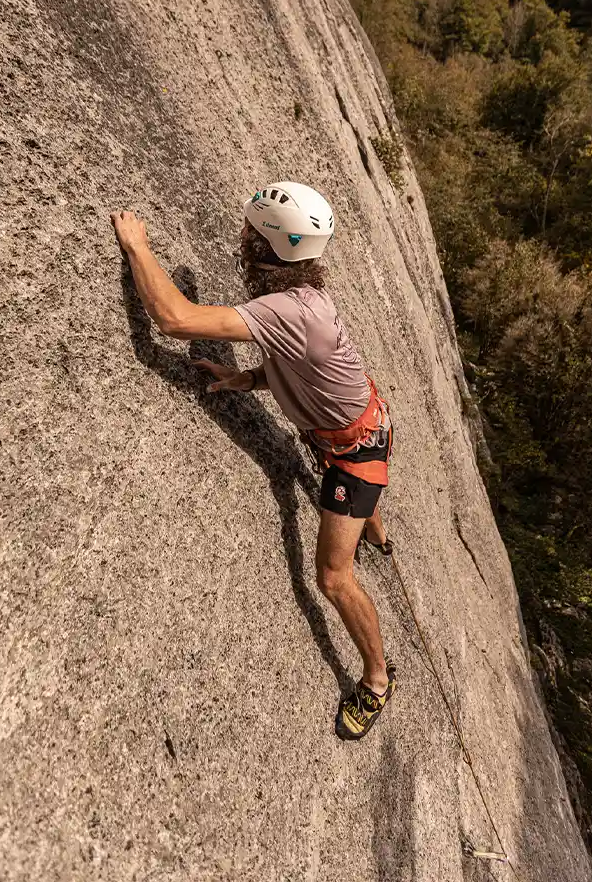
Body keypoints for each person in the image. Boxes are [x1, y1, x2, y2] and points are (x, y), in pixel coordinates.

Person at [111, 182, 396, 741]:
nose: (242, 236)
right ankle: (378, 534)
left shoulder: (286, 309)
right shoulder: (306, 299)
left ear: (271, 246)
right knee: (353, 503)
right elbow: (302, 368)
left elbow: (173, 319)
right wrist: (247, 378)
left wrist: (138, 247)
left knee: (333, 578)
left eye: (252, 231)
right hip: (359, 423)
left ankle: (377, 681)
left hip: (354, 454)